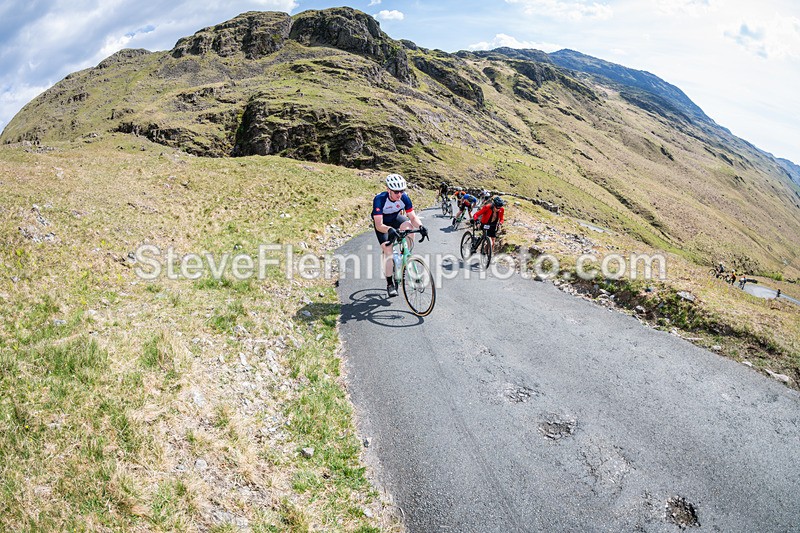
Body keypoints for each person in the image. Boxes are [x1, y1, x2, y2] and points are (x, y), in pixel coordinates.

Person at [372, 173, 428, 297]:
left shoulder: (404, 197)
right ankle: (389, 284)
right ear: (388, 190)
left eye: (401, 191)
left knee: (409, 226)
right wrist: (389, 229)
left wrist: (421, 227)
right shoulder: (379, 199)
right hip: (383, 224)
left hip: (396, 218)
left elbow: (412, 217)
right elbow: (378, 225)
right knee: (388, 250)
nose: (399, 194)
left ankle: (406, 254)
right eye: (396, 191)